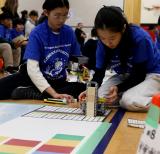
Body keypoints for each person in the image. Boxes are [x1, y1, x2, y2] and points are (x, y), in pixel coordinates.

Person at [0, 0, 86, 102]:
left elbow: (77, 59)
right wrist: (54, 94)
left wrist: (83, 69)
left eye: (65, 15)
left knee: (85, 89)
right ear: (46, 12)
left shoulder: (69, 32)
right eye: (57, 15)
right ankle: (43, 93)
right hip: (30, 78)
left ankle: (35, 93)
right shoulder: (37, 33)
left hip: (57, 81)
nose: (62, 20)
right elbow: (33, 70)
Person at [79, 6, 160, 112]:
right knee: (100, 98)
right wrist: (90, 91)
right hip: (127, 75)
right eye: (103, 38)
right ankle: (131, 95)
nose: (108, 43)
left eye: (112, 38)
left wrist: (119, 88)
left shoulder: (140, 38)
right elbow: (99, 74)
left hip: (151, 74)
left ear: (123, 29)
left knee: (128, 101)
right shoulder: (102, 44)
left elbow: (139, 75)